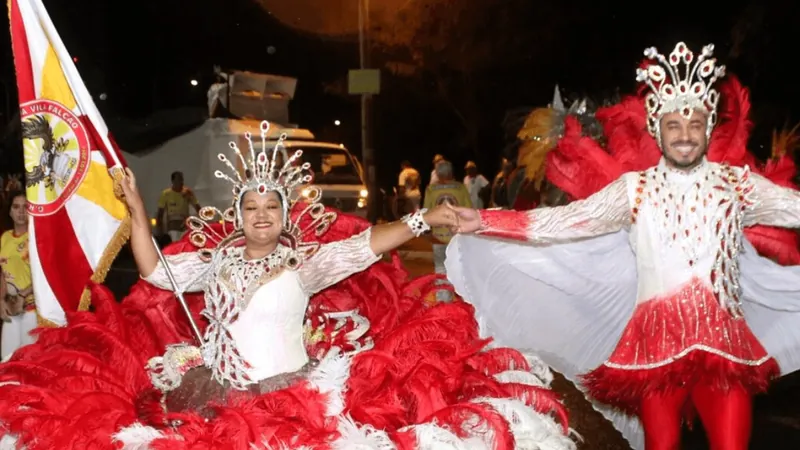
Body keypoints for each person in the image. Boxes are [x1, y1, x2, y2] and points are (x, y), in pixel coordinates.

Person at [0, 121, 577, 449]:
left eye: (269, 207)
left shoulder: (306, 263)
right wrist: (134, 207)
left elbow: (366, 245)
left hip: (289, 396)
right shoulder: (218, 258)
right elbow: (155, 272)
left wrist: (424, 220)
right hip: (213, 391)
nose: (259, 216)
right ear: (239, 212)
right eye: (249, 207)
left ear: (282, 213)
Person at [445, 42, 800, 450]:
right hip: (653, 346)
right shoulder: (635, 189)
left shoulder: (737, 185)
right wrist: (485, 220)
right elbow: (559, 223)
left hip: (723, 347)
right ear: (657, 128)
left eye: (694, 125)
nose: (684, 136)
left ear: (707, 127)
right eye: (673, 126)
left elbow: (794, 208)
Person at [423, 161, 471, 302]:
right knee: (460, 269)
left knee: (441, 270)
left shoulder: (431, 190)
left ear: (437, 174)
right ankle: (464, 303)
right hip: (457, 237)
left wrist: (427, 233)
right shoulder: (460, 188)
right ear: (451, 173)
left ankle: (444, 304)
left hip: (438, 237)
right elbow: (468, 210)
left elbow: (426, 212)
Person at [0, 191, 36, 360]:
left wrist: (23, 295)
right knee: (6, 359)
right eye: (16, 207)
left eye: (25, 207)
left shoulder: (37, 238)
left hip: (31, 309)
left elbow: (44, 277)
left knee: (26, 362)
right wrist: (1, 300)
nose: (21, 211)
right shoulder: (5, 238)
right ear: (10, 211)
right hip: (11, 309)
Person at [156, 171, 201, 242]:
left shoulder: (187, 192)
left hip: (185, 225)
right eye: (178, 179)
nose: (181, 182)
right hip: (173, 226)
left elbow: (198, 208)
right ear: (173, 181)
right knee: (175, 244)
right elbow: (160, 213)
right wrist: (159, 230)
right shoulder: (166, 194)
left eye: (181, 179)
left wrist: (200, 221)